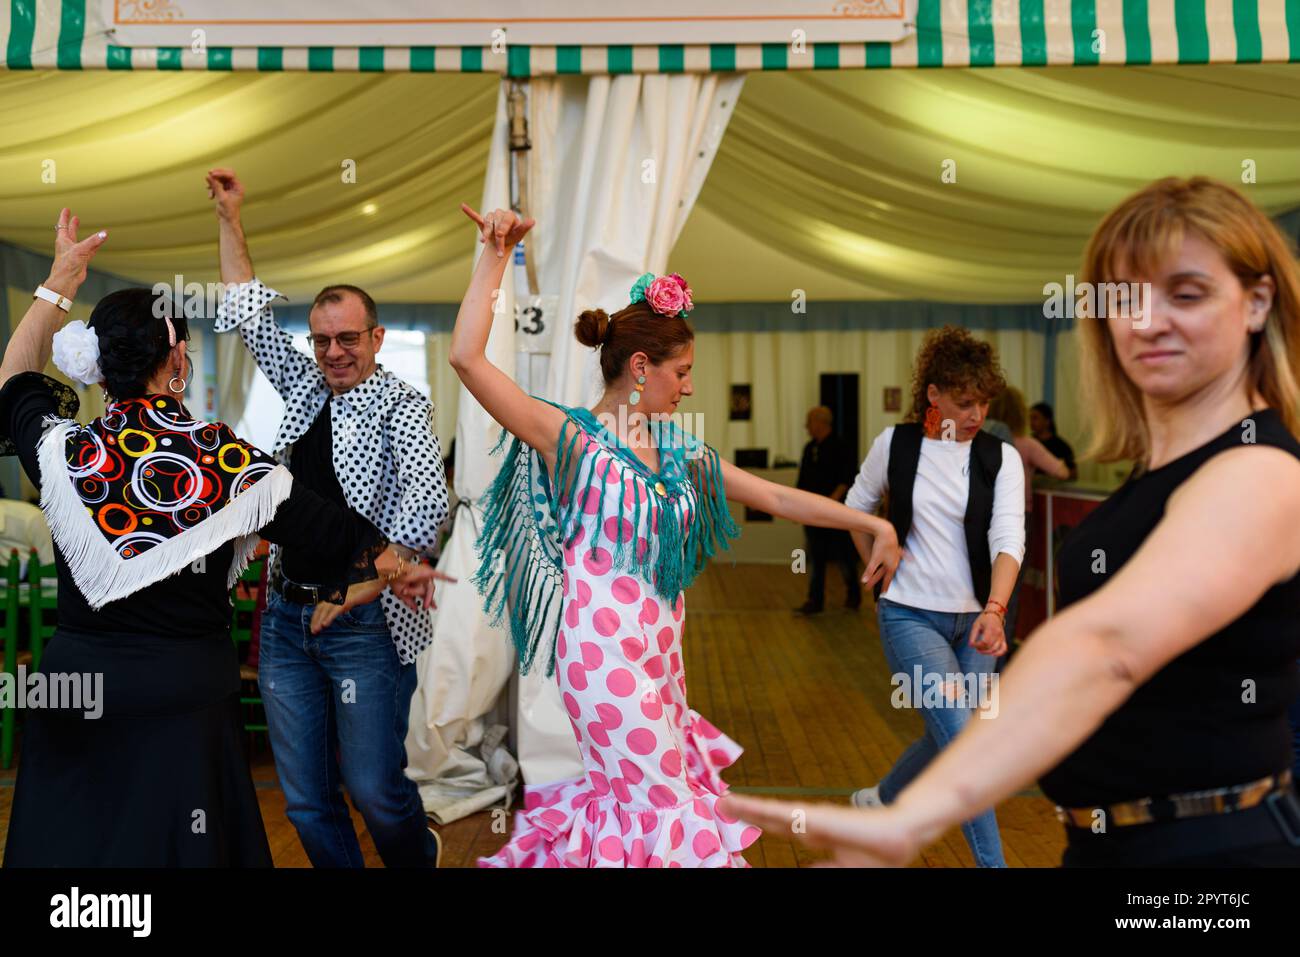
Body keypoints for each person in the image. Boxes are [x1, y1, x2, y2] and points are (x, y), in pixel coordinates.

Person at [722, 177, 1300, 867]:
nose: (1147, 321)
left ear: (1257, 301)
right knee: (950, 719)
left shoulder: (1261, 470)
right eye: (1125, 298)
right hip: (1112, 843)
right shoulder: (1161, 472)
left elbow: (1104, 644)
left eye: (1186, 292)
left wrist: (915, 818)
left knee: (952, 719)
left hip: (1211, 861)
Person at [450, 205, 901, 867]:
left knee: (639, 813)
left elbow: (775, 495)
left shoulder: (683, 452)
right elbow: (465, 357)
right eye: (681, 372)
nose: (689, 387)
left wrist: (870, 519)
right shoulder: (567, 437)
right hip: (600, 659)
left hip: (661, 658)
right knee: (667, 809)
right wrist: (494, 254)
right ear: (640, 366)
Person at [0, 209, 437, 867]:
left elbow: (14, 383)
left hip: (78, 685)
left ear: (99, 369)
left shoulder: (64, 449)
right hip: (184, 693)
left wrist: (58, 283)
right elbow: (320, 521)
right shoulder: (222, 460)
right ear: (177, 359)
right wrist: (391, 561)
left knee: (80, 848)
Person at [207, 169, 453, 868]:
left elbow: (427, 504)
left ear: (376, 337)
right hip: (287, 617)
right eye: (321, 339)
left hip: (367, 625)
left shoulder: (404, 405)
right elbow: (250, 312)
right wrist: (231, 218)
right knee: (306, 801)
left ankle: (415, 856)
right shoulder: (303, 385)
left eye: (347, 338)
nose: (333, 352)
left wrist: (363, 586)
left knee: (373, 789)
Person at [844, 326, 1026, 869]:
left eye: (984, 402)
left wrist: (995, 610)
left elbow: (1008, 538)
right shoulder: (895, 445)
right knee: (967, 744)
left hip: (977, 622)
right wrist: (877, 567)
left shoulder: (1001, 458)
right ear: (933, 394)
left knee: (947, 733)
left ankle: (881, 801)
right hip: (909, 616)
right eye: (964, 402)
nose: (976, 414)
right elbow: (857, 506)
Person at [986, 385, 1069, 650]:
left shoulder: (980, 439)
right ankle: (999, 658)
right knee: (1009, 592)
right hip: (1018, 518)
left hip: (983, 519)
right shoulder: (1027, 444)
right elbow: (1062, 472)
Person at [794, 406, 860, 614]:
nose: (806, 427)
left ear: (820, 423)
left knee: (844, 555)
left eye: (809, 422)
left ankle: (854, 594)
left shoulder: (842, 447)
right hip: (812, 513)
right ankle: (815, 600)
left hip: (836, 513)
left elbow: (846, 479)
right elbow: (802, 481)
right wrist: (797, 506)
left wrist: (830, 506)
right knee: (816, 557)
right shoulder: (809, 448)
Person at [1029, 401, 1078, 481]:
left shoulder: (1061, 446)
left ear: (1047, 421)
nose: (1031, 422)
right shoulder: (1029, 443)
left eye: (1035, 418)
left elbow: (1073, 474)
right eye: (1029, 418)